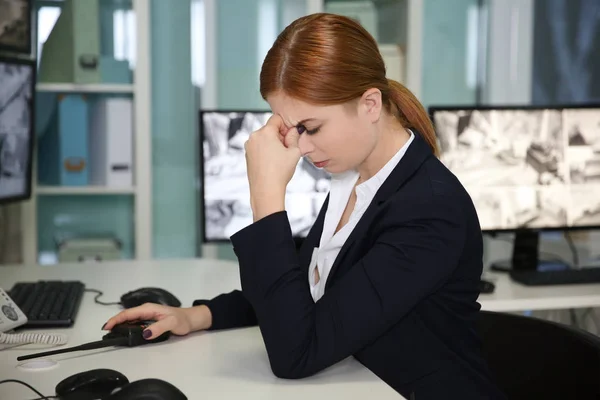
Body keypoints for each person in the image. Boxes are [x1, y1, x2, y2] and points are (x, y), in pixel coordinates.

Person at [103, 13, 506, 399]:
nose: (303, 148)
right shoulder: (353, 176)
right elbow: (302, 292)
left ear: (369, 104)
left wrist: (266, 196)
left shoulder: (429, 209)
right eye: (292, 128)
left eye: (311, 128)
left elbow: (297, 352)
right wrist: (196, 316)